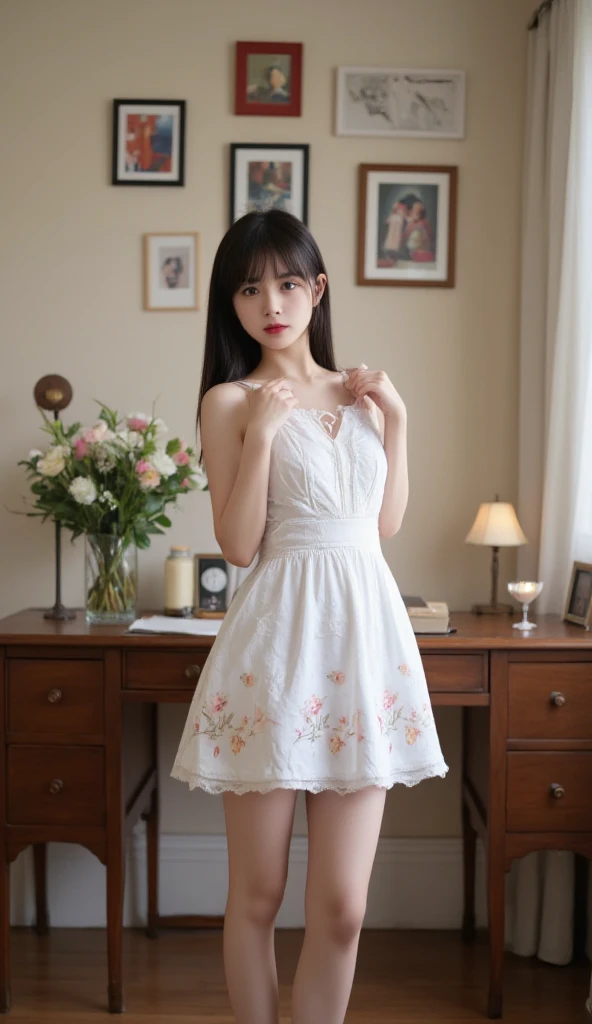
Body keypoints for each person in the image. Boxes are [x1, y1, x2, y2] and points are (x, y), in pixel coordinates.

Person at [171, 209, 448, 1024]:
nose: (272, 303)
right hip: (275, 652)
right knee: (258, 897)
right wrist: (261, 434)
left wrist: (397, 420)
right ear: (232, 304)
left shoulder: (362, 395)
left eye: (288, 283)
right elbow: (240, 544)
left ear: (317, 288)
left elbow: (384, 523)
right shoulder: (229, 401)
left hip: (364, 648)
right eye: (250, 288)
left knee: (343, 909)